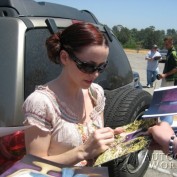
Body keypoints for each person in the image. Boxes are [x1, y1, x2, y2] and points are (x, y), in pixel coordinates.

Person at [22, 22, 123, 166]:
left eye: (101, 67)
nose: (95, 74)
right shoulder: (41, 103)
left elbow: (94, 147)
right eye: (88, 66)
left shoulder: (96, 93)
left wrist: (109, 139)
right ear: (64, 57)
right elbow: (34, 166)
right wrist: (82, 152)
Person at [157, 36, 177, 125]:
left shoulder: (173, 53)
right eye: (164, 44)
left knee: (168, 100)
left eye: (167, 44)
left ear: (171, 43)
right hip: (166, 78)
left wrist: (165, 74)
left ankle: (167, 122)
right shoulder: (169, 52)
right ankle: (164, 118)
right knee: (163, 98)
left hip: (170, 79)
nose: (165, 46)